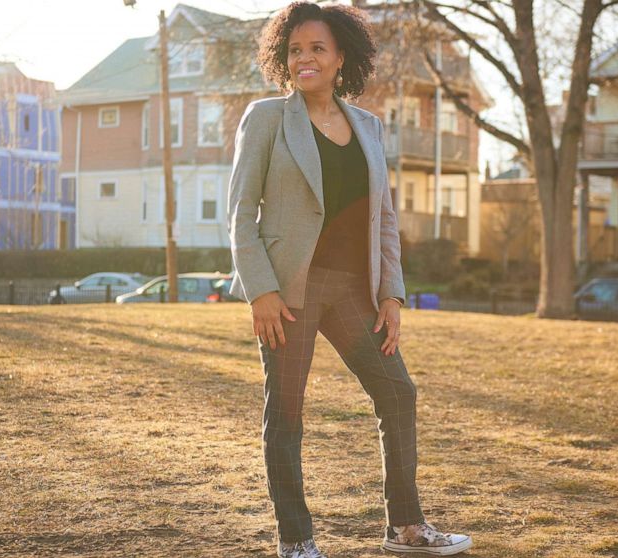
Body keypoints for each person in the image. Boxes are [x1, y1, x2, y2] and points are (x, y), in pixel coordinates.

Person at [227, 3, 473, 557]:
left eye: (317, 48)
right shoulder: (266, 118)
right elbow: (241, 212)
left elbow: (383, 216)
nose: (305, 58)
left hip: (354, 291)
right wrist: (260, 290)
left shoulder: (368, 125)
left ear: (341, 58)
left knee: (398, 393)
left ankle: (406, 527)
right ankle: (296, 541)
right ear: (283, 59)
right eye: (295, 49)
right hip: (290, 293)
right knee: (286, 413)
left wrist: (391, 293)